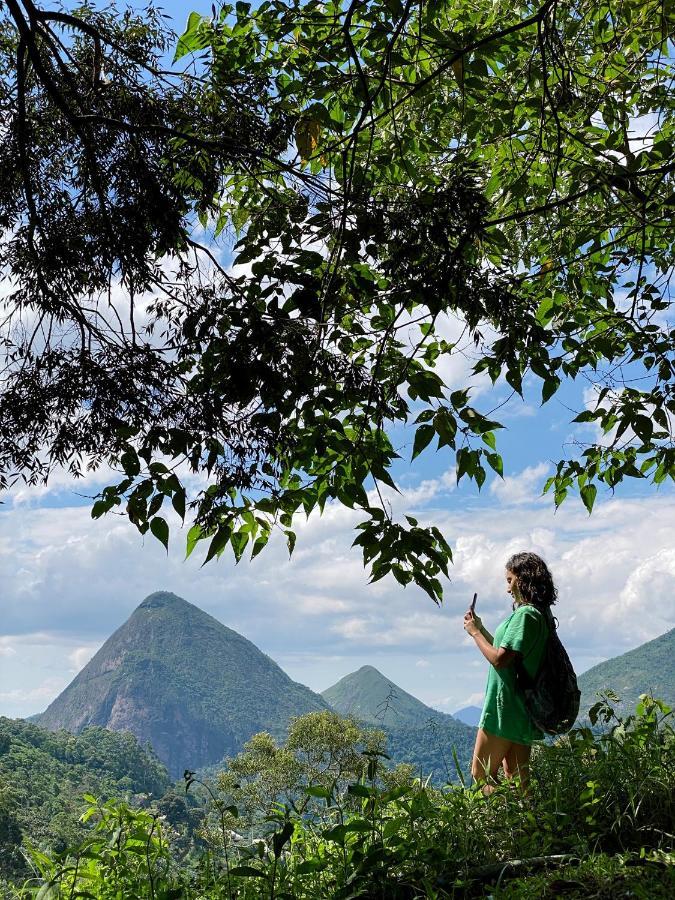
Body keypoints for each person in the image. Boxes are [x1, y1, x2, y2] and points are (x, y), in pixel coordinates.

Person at [463, 551, 556, 794]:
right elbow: (509, 656)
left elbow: (500, 660)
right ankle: (524, 826)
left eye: (509, 580)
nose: (507, 589)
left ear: (523, 579)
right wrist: (481, 628)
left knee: (480, 774)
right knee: (517, 781)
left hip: (505, 707)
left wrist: (474, 634)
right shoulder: (536, 614)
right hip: (520, 707)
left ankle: (505, 821)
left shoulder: (525, 615)